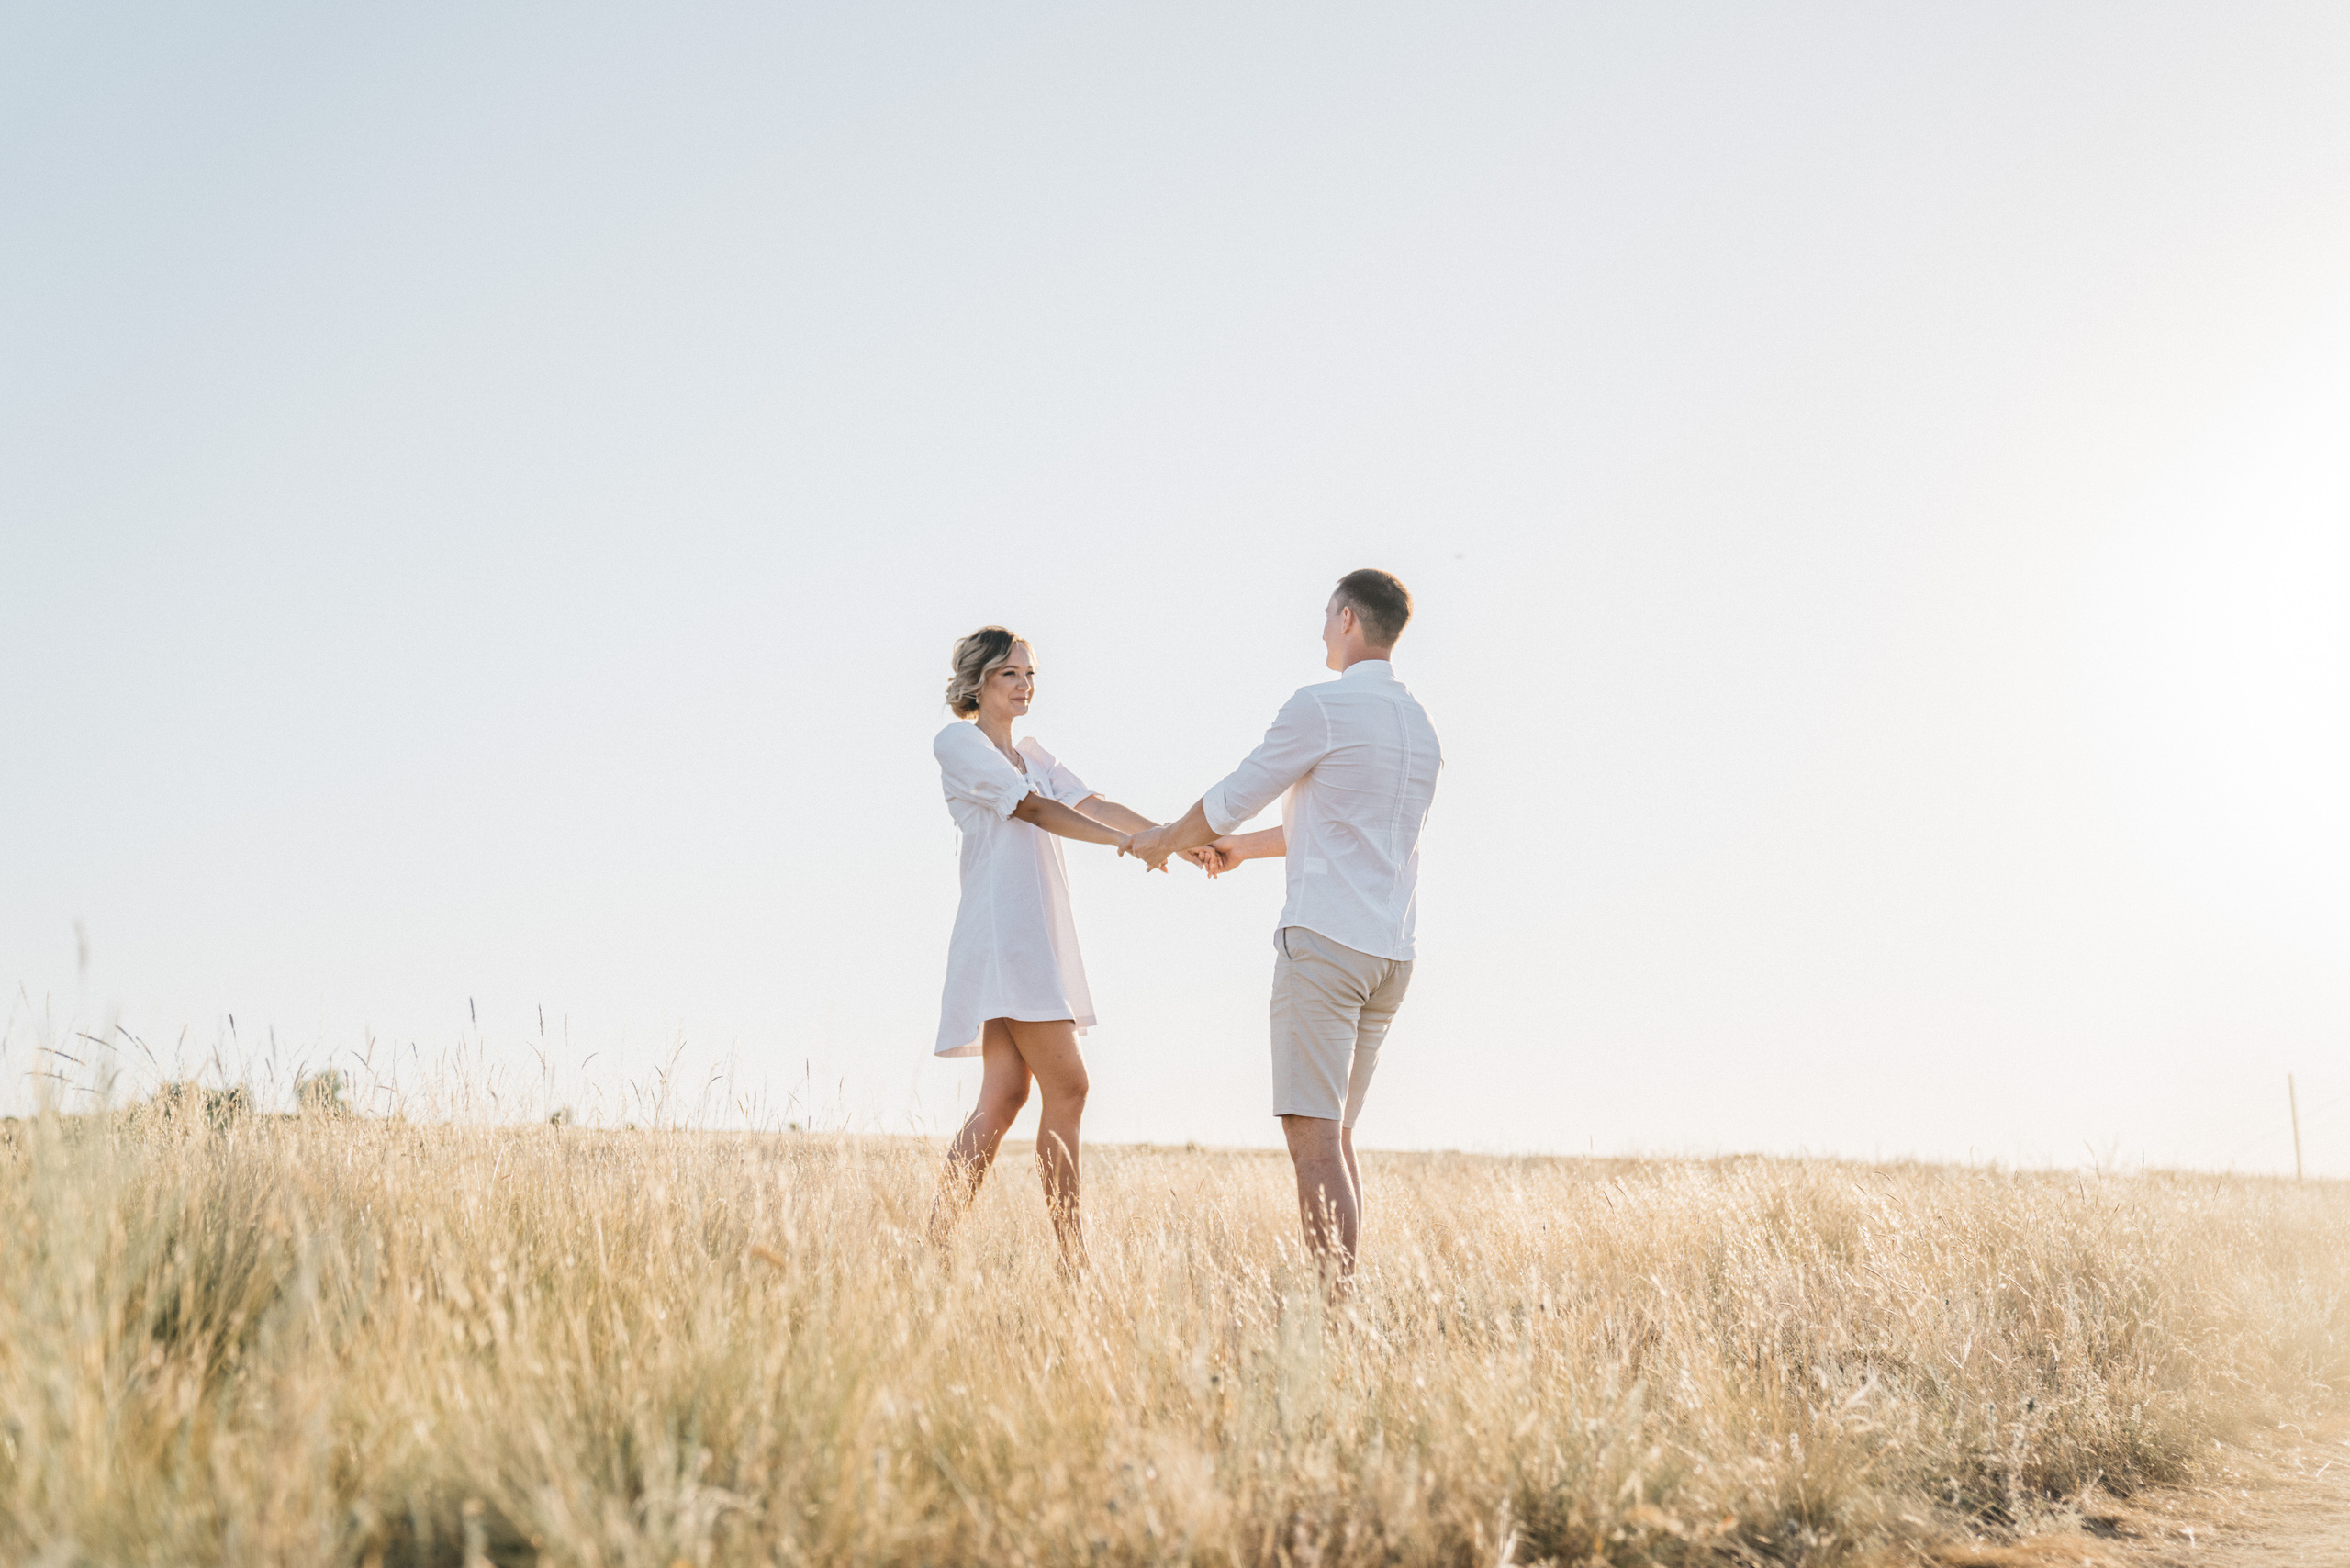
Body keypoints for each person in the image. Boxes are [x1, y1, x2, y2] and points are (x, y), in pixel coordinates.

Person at [1126, 569, 1441, 1286]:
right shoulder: (1419, 726)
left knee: (1313, 1140)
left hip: (1325, 949)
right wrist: (1242, 851)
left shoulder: (1322, 708)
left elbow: (1233, 796)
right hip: (1390, 954)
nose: (1323, 627)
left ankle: (1336, 1316)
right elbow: (1340, 828)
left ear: (1350, 620)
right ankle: (1346, 1306)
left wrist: (1164, 842)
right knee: (1338, 1136)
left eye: (1329, 615)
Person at [926, 625, 1168, 1270]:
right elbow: (1031, 811)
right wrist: (1125, 846)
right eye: (1010, 674)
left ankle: (933, 1250)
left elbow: (1095, 802)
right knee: (1070, 1086)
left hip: (1032, 936)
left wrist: (1170, 837)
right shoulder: (960, 744)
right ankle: (1072, 1260)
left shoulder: (1033, 753)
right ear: (977, 682)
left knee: (1003, 1096)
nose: (1025, 685)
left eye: (1030, 674)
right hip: (1009, 937)